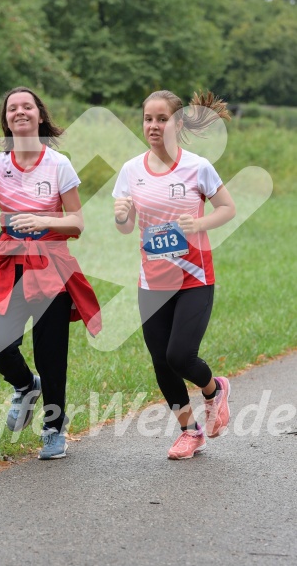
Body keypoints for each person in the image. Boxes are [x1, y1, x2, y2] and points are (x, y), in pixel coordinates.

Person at [0, 86, 101, 460]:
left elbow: (77, 223)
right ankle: (26, 386)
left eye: (27, 106)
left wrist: (41, 219)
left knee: (51, 354)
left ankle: (54, 429)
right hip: (11, 264)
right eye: (13, 108)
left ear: (40, 115)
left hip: (52, 267)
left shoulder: (59, 164)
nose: (20, 112)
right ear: (6, 119)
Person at [113, 90, 235, 460]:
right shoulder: (131, 170)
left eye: (161, 118)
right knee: (161, 362)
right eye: (148, 118)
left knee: (180, 355)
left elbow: (227, 209)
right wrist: (121, 215)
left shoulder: (198, 167)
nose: (153, 126)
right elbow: (125, 226)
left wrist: (198, 223)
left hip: (194, 276)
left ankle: (214, 390)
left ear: (177, 123)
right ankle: (189, 431)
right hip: (153, 280)